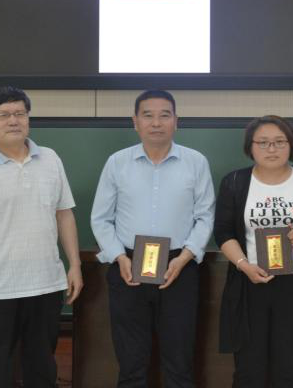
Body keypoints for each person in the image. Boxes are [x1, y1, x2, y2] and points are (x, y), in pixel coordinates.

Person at [0, 86, 83, 388]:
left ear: (28, 118)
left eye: (19, 113)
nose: (13, 121)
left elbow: (64, 214)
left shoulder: (50, 159)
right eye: (3, 115)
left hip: (46, 285)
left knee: (42, 369)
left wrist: (74, 265)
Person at [90, 89, 215, 388]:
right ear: (135, 122)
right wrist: (119, 257)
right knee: (131, 361)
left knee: (179, 360)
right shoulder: (117, 162)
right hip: (128, 265)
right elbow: (101, 218)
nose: (156, 123)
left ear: (176, 121)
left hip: (179, 266)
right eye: (148, 115)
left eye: (164, 115)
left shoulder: (196, 162)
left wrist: (185, 257)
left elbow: (205, 216)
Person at [214, 115, 293, 388]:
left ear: (291, 145)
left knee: (290, 368)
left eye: (280, 142)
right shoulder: (234, 182)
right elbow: (223, 232)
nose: (272, 149)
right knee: (248, 369)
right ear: (251, 146)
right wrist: (244, 265)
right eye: (263, 142)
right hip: (249, 279)